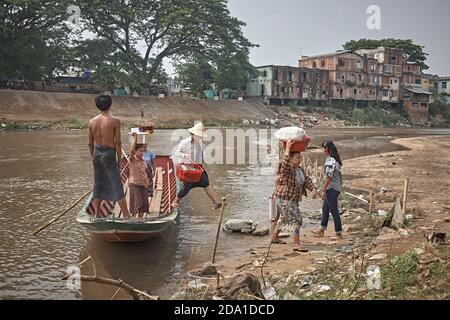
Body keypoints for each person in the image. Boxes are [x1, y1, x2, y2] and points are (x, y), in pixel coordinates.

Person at [88, 95, 130, 219]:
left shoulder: (92, 121)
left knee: (98, 184)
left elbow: (90, 143)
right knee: (116, 184)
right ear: (110, 105)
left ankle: (96, 215)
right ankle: (126, 216)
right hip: (109, 153)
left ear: (97, 106)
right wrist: (118, 159)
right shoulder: (115, 121)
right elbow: (118, 143)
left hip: (97, 153)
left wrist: (93, 158)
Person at [271, 139, 318, 252]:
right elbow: (285, 162)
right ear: (291, 159)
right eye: (297, 158)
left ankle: (274, 238)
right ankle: (296, 244)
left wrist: (313, 189)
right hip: (284, 198)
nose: (300, 160)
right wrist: (287, 148)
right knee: (296, 218)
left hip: (293, 199)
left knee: (283, 219)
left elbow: (306, 180)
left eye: (300, 158)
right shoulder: (287, 169)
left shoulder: (299, 169)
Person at [172, 122, 222, 210]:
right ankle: (175, 202)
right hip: (186, 167)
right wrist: (185, 155)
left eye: (200, 136)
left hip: (196, 167)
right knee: (186, 188)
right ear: (193, 134)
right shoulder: (185, 142)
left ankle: (215, 202)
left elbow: (201, 154)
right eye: (197, 136)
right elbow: (177, 153)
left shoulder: (200, 144)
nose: (199, 138)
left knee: (205, 182)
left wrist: (202, 159)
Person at [312, 140, 343, 239]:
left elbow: (329, 177)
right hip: (335, 188)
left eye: (323, 148)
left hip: (332, 188)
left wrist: (323, 190)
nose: (322, 150)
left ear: (327, 149)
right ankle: (321, 230)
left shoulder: (330, 160)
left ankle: (338, 233)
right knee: (325, 209)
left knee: (334, 211)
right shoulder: (335, 159)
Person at [128, 133, 150, 218]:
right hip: (135, 184)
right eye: (140, 151)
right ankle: (133, 218)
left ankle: (140, 220)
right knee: (137, 203)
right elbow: (131, 150)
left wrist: (147, 181)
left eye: (142, 151)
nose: (142, 153)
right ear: (136, 152)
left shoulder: (143, 161)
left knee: (144, 204)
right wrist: (135, 138)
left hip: (143, 185)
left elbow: (144, 173)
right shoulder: (133, 160)